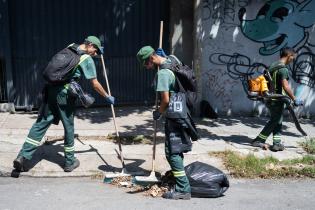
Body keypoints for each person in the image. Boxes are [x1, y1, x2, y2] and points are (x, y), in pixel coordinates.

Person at [13, 36, 115, 172]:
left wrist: (96, 51)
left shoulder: (70, 46)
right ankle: (70, 162)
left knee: (41, 123)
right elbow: (95, 84)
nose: (95, 54)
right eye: (94, 50)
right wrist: (107, 96)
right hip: (64, 94)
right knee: (68, 126)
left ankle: (23, 156)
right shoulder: (86, 59)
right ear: (90, 45)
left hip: (51, 90)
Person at [137, 46, 192, 200]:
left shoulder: (162, 74)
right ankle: (179, 179)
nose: (146, 67)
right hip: (183, 112)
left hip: (173, 115)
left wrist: (158, 113)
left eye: (145, 64)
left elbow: (166, 101)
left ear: (151, 58)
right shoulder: (172, 60)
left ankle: (183, 189)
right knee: (177, 149)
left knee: (171, 152)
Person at [251, 47, 303, 152]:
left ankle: (277, 144)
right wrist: (294, 98)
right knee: (275, 120)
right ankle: (258, 139)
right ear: (289, 56)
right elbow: (286, 86)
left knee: (278, 121)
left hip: (270, 98)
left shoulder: (272, 66)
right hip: (277, 99)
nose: (293, 60)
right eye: (293, 58)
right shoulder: (283, 69)